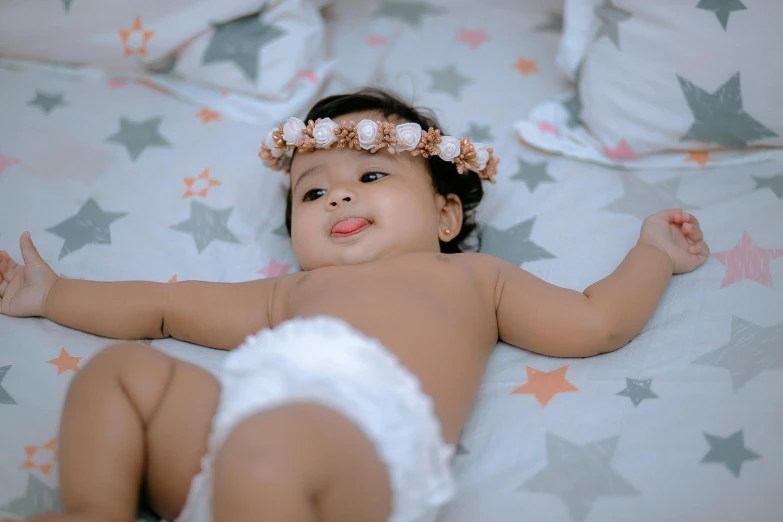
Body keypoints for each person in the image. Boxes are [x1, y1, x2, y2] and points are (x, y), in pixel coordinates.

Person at [0, 89, 710, 522]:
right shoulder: (291, 292)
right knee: (122, 374)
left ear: (443, 216)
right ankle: (95, 509)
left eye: (370, 174)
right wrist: (54, 294)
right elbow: (160, 309)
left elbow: (596, 318)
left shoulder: (477, 282)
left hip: (359, 465)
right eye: (312, 191)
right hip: (232, 444)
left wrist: (653, 251)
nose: (337, 194)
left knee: (269, 450)